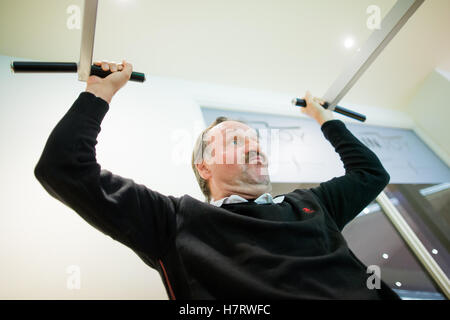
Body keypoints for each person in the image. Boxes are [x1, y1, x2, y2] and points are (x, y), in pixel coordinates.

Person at [34, 60, 400, 300]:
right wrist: (100, 92)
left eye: (256, 140)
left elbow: (370, 174)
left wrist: (325, 119)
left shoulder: (310, 206)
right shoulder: (172, 221)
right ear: (204, 168)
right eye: (237, 140)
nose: (256, 147)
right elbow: (63, 167)